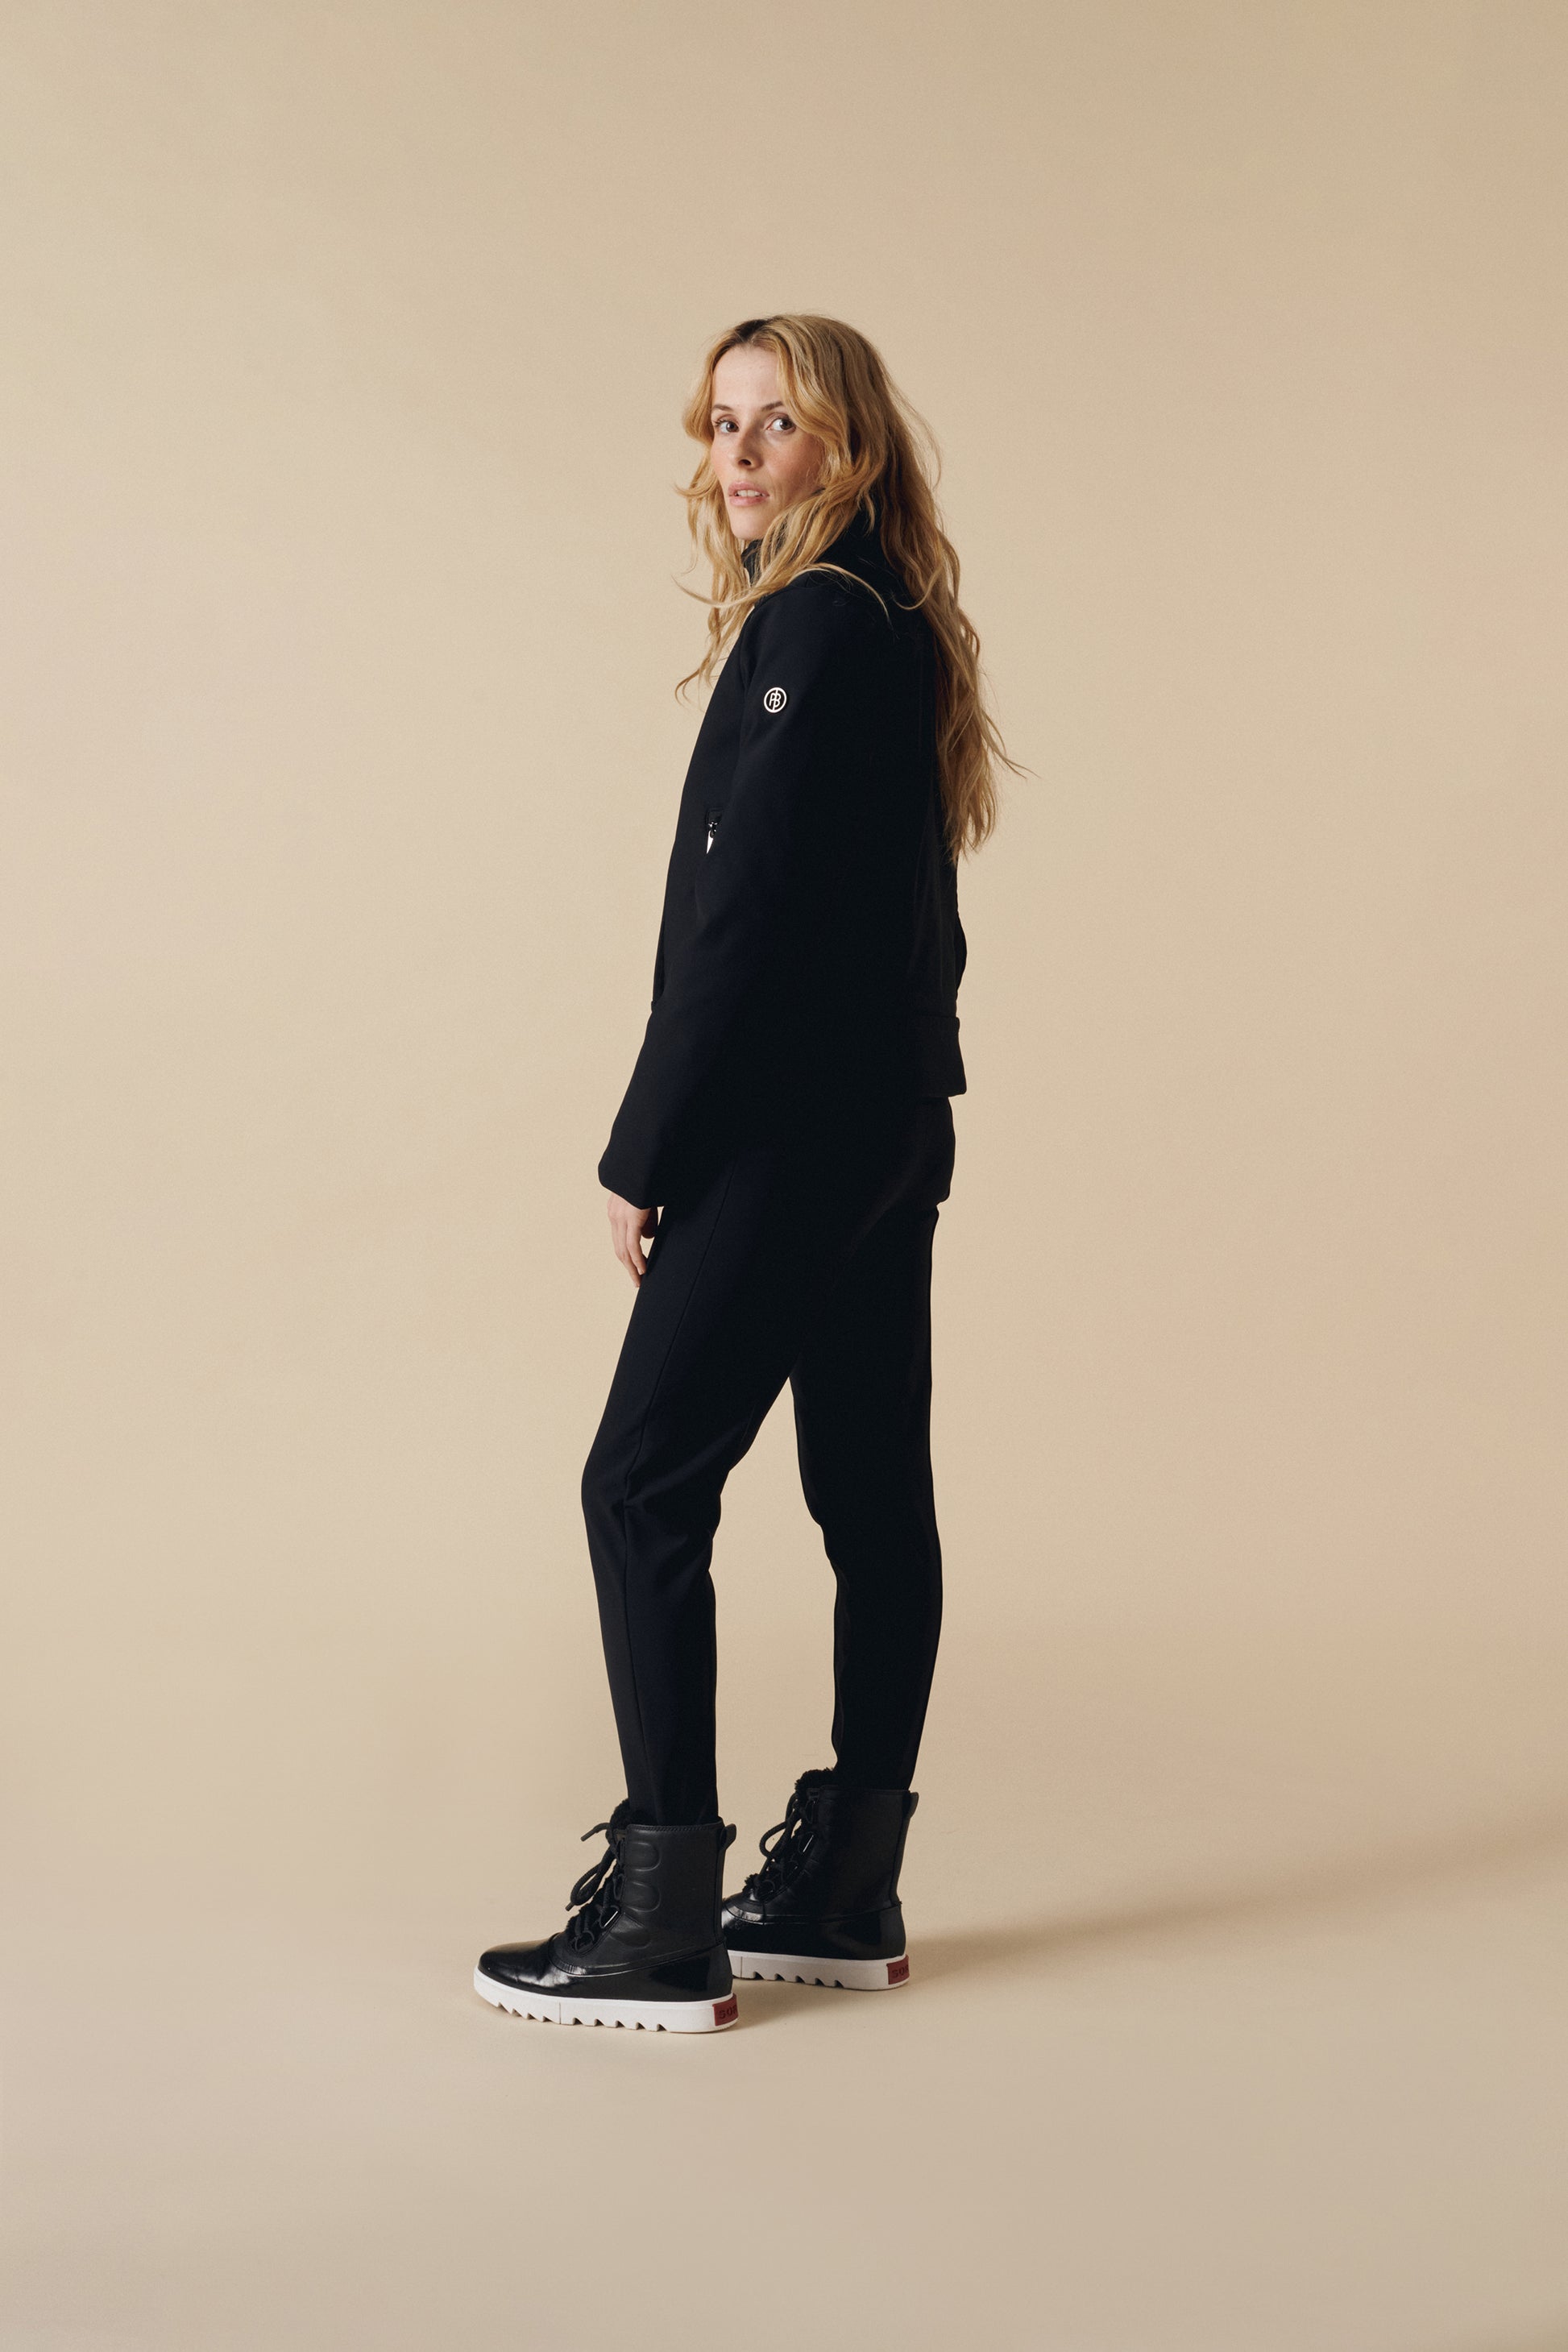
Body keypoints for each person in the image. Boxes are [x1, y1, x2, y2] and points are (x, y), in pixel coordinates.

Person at [475, 314, 1012, 2033]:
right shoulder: (900, 622)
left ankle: (660, 1919)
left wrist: (649, 1149)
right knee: (868, 1493)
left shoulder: (813, 620)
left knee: (641, 1485)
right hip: (888, 1122)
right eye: (721, 424)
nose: (740, 456)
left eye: (778, 423)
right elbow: (913, 918)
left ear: (847, 442)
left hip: (791, 1124)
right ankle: (845, 1886)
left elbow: (744, 920)